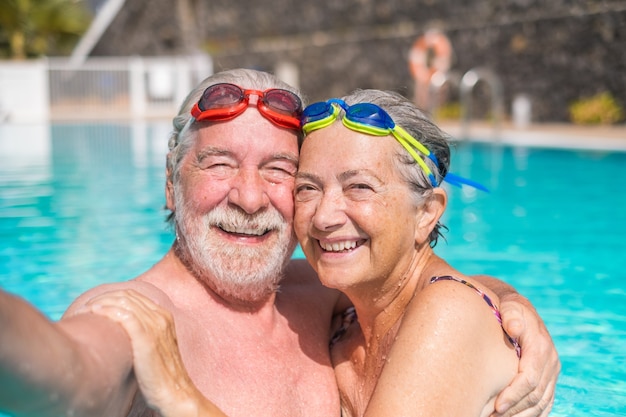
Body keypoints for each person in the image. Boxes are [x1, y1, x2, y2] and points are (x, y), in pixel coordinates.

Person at [0, 69, 559, 417]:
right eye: (219, 164)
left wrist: (507, 303)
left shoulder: (317, 298)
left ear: (429, 211)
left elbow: (439, 297)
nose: (248, 198)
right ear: (171, 184)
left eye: (278, 170)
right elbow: (62, 369)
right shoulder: (139, 319)